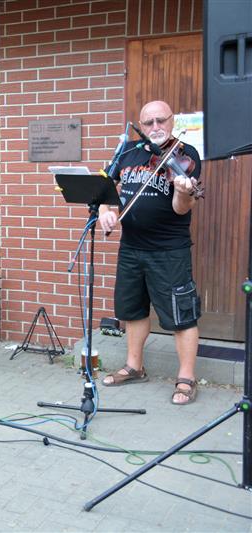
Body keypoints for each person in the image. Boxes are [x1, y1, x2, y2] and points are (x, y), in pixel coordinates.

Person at [98, 100, 203, 405]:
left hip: (169, 251)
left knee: (181, 314)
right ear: (140, 126)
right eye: (148, 123)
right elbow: (105, 187)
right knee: (132, 309)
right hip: (131, 247)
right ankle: (134, 366)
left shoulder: (185, 155)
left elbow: (181, 208)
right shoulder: (128, 151)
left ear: (172, 121)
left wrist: (183, 192)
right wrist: (106, 209)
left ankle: (186, 377)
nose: (155, 127)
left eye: (161, 121)